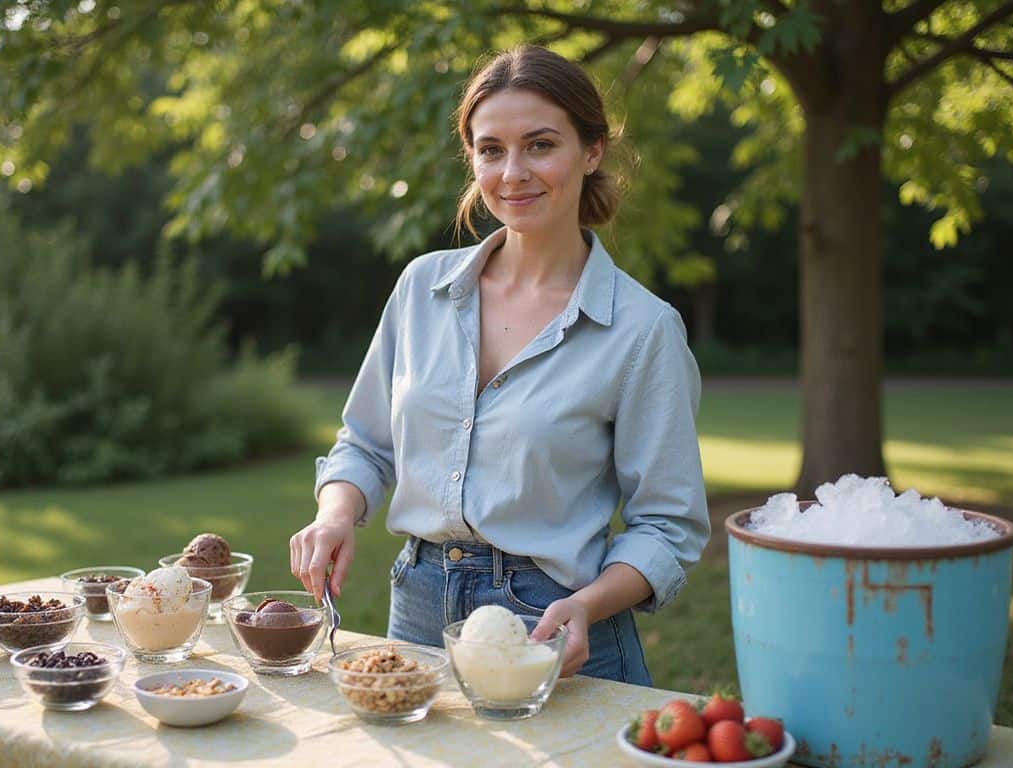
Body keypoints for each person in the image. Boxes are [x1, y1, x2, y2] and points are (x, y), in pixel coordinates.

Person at [290, 44, 708, 685]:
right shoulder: (420, 289)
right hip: (418, 612)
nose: (513, 172)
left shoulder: (642, 329)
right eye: (491, 150)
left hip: (556, 627)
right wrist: (335, 514)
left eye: (540, 145)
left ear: (592, 151)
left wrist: (587, 606)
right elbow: (366, 445)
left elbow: (668, 526)